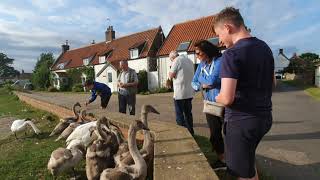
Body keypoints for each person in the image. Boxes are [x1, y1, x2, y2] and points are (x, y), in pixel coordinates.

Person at [214, 7, 274, 180]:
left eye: (219, 35)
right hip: (264, 118)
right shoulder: (265, 48)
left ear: (228, 27)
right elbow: (273, 83)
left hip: (241, 123)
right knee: (247, 163)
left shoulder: (231, 54)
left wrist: (217, 96)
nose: (219, 40)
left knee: (240, 173)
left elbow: (226, 98)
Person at [191, 40, 225, 169]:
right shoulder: (202, 64)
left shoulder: (219, 61)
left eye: (198, 53)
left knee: (229, 133)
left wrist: (201, 81)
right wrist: (201, 84)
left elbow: (212, 81)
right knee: (215, 133)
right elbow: (193, 83)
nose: (197, 56)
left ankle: (234, 160)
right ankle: (221, 160)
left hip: (223, 102)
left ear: (207, 52)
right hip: (209, 104)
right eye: (195, 53)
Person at [169, 51, 195, 135]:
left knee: (179, 114)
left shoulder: (176, 60)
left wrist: (170, 71)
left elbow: (171, 75)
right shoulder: (189, 61)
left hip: (180, 93)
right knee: (188, 114)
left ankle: (182, 133)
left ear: (173, 57)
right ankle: (191, 132)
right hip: (189, 92)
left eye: (171, 60)